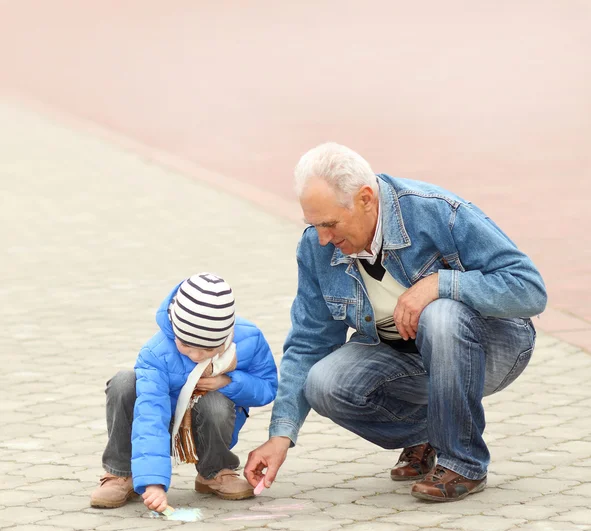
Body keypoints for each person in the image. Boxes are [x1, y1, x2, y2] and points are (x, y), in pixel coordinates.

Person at [245, 142, 546, 502]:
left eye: (329, 224)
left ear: (366, 199)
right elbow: (310, 342)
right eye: (314, 225)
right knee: (324, 383)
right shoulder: (316, 246)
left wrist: (439, 285)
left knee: (441, 313)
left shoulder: (436, 212)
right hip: (401, 353)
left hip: (492, 346)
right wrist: (281, 435)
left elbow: (529, 289)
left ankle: (463, 463)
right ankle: (429, 434)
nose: (323, 238)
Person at [90, 272, 278, 511]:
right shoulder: (157, 352)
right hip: (164, 424)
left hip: (207, 425)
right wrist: (153, 483)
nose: (197, 356)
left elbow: (267, 387)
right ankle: (122, 473)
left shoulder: (249, 339)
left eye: (209, 348)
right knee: (124, 382)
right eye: (187, 346)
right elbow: (151, 414)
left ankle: (215, 471)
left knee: (216, 403)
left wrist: (228, 382)